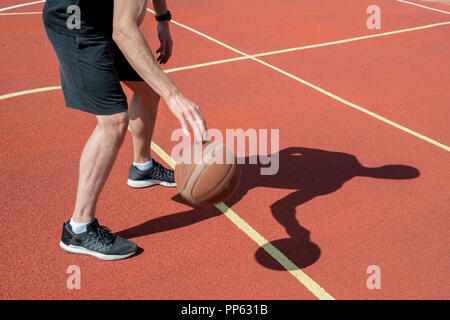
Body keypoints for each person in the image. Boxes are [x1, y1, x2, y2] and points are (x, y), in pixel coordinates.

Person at [42, 0, 207, 260]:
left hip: (104, 19)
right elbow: (124, 30)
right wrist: (174, 96)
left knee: (148, 85)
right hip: (74, 23)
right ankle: (78, 229)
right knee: (113, 121)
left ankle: (143, 169)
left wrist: (163, 19)